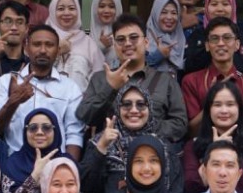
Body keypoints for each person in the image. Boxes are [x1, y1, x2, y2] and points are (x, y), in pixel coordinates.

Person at [77, 15, 190, 145]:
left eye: (134, 38)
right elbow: (85, 117)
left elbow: (180, 124)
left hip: (152, 156)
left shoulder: (165, 80)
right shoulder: (101, 78)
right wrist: (110, 88)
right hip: (109, 156)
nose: (128, 43)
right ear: (114, 45)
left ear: (146, 43)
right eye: (121, 39)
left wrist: (143, 128)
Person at [83, 81, 179, 193]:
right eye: (126, 104)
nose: (134, 110)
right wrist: (101, 148)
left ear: (149, 108)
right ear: (117, 108)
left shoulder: (162, 146)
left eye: (140, 104)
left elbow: (174, 192)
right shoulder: (100, 141)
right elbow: (86, 187)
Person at [0, 24, 84, 160]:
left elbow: (74, 134)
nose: (42, 50)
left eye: (49, 45)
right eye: (37, 44)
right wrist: (13, 102)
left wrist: (69, 167)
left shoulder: (70, 88)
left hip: (55, 167)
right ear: (26, 49)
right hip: (14, 165)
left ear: (58, 50)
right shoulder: (6, 82)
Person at [184, 80, 243, 193]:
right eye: (217, 105)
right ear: (208, 110)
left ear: (239, 109)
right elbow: (190, 188)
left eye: (230, 104)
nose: (224, 111)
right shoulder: (193, 146)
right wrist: (214, 149)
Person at [181, 16, 243, 131]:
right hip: (205, 146)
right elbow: (191, 132)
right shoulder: (191, 81)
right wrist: (211, 100)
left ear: (237, 45)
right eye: (214, 39)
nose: (221, 43)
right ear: (207, 45)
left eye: (227, 38)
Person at [2, 108, 63, 193]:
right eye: (33, 128)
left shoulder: (66, 163)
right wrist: (35, 177)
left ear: (56, 131)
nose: (39, 132)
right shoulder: (14, 163)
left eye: (46, 128)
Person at [184, 0, 243, 76]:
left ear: (233, 7)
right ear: (206, 8)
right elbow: (189, 67)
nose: (220, 9)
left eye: (225, 4)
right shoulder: (196, 35)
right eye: (214, 4)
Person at [47, 0, 105, 90]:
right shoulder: (44, 38)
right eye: (61, 9)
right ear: (52, 11)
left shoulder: (88, 43)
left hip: (80, 103)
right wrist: (57, 52)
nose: (66, 13)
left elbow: (99, 80)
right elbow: (35, 71)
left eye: (72, 8)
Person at [0, 0, 31, 78]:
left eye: (19, 22)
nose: (14, 27)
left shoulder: (33, 65)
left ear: (26, 28)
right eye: (8, 21)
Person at [145, 0, 187, 75]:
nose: (169, 17)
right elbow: (136, 67)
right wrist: (159, 54)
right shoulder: (143, 38)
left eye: (174, 13)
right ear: (155, 14)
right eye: (163, 12)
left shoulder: (182, 38)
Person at [89, 0, 122, 67]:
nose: (106, 10)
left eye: (111, 6)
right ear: (95, 9)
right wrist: (101, 46)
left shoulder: (125, 36)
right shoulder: (86, 38)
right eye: (101, 6)